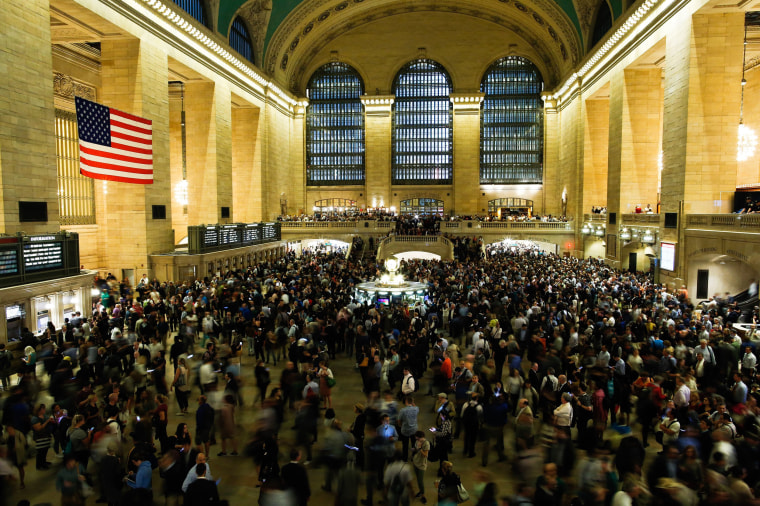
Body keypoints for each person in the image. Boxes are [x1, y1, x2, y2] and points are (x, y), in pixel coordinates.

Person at [411, 431, 430, 504]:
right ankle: (421, 491)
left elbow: (425, 455)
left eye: (418, 439)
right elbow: (416, 449)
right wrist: (414, 449)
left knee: (420, 481)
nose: (417, 440)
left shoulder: (426, 443)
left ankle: (423, 496)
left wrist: (419, 448)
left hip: (422, 465)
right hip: (416, 462)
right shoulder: (417, 441)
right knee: (418, 480)